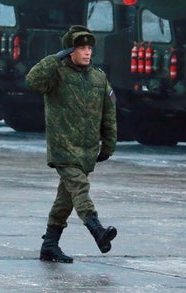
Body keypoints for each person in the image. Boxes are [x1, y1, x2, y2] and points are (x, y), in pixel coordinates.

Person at [26, 25, 118, 263]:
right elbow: (32, 81)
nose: (87, 52)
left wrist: (108, 145)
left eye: (89, 48)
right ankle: (97, 230)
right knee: (80, 189)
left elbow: (109, 112)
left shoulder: (99, 77)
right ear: (69, 51)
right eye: (80, 48)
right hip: (63, 147)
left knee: (65, 199)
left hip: (87, 151)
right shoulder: (57, 74)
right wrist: (54, 58)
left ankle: (49, 245)